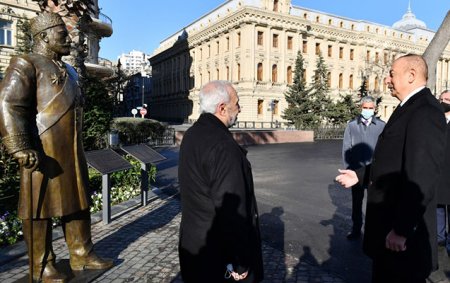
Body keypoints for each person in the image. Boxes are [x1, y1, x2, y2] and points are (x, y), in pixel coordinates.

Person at [0, 12, 112, 282]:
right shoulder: (25, 63)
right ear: (43, 37)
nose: (68, 39)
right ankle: (41, 264)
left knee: (78, 202)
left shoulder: (70, 70)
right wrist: (19, 147)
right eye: (62, 34)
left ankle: (81, 253)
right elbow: (8, 105)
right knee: (39, 208)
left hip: (71, 150)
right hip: (41, 150)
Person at [335, 54, 446, 283]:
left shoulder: (424, 111)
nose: (388, 79)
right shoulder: (408, 107)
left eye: (392, 74)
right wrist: (359, 175)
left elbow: (421, 175)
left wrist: (402, 229)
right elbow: (391, 161)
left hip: (401, 239)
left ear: (411, 75)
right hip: (389, 232)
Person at [178, 80, 264, 283]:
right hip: (219, 257)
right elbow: (232, 210)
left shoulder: (191, 135)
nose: (240, 109)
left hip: (193, 245)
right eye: (237, 103)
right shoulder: (224, 147)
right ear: (222, 108)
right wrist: (240, 262)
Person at [342, 96, 385, 240]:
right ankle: (356, 229)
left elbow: (385, 149)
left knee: (374, 203)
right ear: (361, 108)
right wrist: (348, 170)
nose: (367, 110)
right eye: (365, 108)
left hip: (374, 172)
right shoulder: (352, 125)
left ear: (375, 109)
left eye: (370, 108)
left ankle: (373, 231)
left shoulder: (381, 126)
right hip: (356, 171)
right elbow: (346, 148)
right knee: (356, 203)